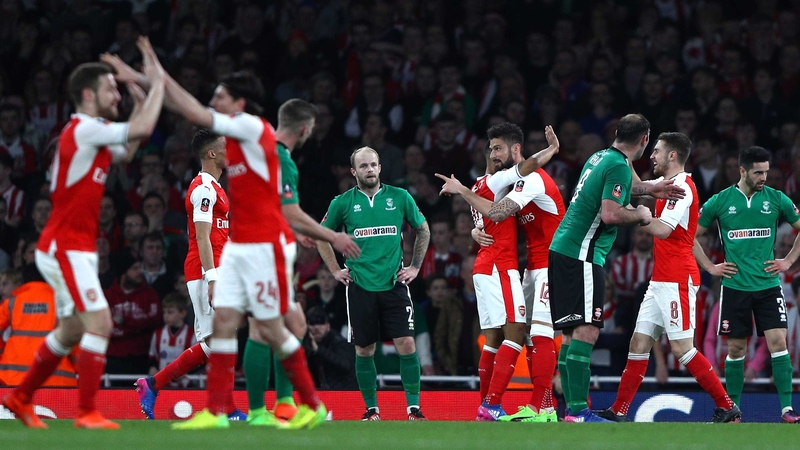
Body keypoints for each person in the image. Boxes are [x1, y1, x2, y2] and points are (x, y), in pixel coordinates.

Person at [103, 42, 360, 430]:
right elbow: (189, 110)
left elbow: (189, 109)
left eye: (220, 95)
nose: (213, 100)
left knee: (273, 328)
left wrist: (151, 74)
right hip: (239, 249)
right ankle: (217, 411)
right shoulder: (237, 145)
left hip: (264, 248)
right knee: (223, 322)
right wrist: (148, 77)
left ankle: (310, 402)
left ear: (238, 102)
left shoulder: (249, 127)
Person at [1, 37, 166, 430]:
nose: (116, 95)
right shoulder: (87, 129)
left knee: (73, 327)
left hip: (74, 247)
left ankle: (21, 397)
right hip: (65, 247)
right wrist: (157, 81)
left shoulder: (91, 135)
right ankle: (87, 412)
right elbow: (140, 126)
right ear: (89, 94)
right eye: (111, 88)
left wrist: (138, 90)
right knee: (101, 322)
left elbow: (135, 142)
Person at [595, 132, 741, 423]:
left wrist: (640, 215)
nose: (653, 155)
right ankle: (619, 410)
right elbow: (687, 237)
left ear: (672, 155)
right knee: (638, 344)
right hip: (660, 279)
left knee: (682, 348)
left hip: (676, 280)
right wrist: (710, 267)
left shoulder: (682, 189)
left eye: (658, 151)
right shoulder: (668, 187)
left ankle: (727, 406)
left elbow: (663, 230)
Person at [547, 114, 683, 423]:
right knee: (587, 330)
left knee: (571, 333)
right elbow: (610, 213)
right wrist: (642, 216)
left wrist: (652, 189)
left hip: (563, 249)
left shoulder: (602, 157)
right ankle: (579, 412)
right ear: (645, 140)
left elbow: (630, 185)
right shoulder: (618, 165)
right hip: (582, 253)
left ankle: (572, 411)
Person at [437, 123, 562, 422]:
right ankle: (499, 405)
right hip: (502, 266)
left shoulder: (507, 182)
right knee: (519, 333)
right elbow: (495, 210)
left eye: (498, 149)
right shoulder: (495, 183)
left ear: (515, 149)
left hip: (540, 264)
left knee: (507, 335)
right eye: (491, 150)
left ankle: (525, 406)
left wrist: (474, 228)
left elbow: (496, 209)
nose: (494, 155)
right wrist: (553, 150)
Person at [242, 99, 357, 425]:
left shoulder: (258, 151)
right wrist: (332, 236)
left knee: (274, 325)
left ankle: (278, 405)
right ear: (306, 129)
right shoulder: (283, 160)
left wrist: (292, 229)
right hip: (263, 249)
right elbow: (290, 209)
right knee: (283, 326)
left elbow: (269, 205)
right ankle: (275, 406)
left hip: (255, 243)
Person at [136, 129, 246, 421]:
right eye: (225, 147)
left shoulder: (218, 189)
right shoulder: (204, 189)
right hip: (204, 268)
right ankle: (226, 408)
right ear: (211, 154)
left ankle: (153, 384)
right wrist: (212, 278)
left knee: (220, 340)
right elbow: (202, 237)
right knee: (220, 341)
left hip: (218, 267)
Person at [316, 146, 431, 421]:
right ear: (354, 171)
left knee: (407, 344)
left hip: (394, 284)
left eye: (374, 165)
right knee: (364, 349)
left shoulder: (400, 196)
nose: (370, 170)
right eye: (364, 166)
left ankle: (413, 408)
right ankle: (371, 410)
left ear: (380, 167)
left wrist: (415, 266)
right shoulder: (342, 203)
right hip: (359, 286)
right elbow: (322, 235)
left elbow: (423, 228)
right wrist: (334, 270)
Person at [694, 145, 800, 423]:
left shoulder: (776, 199)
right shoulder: (720, 201)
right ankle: (734, 410)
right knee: (736, 349)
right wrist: (709, 266)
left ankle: (787, 409)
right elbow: (690, 235)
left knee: (778, 342)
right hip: (735, 287)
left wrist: (788, 261)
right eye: (758, 172)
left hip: (767, 284)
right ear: (742, 171)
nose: (764, 177)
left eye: (766, 171)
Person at [0, 264, 77, 387]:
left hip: (13, 379)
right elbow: (74, 337)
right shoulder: (62, 302)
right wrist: (76, 365)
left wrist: (3, 355)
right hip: (57, 380)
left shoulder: (12, 302)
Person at [147, 293, 195, 387]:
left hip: (185, 386)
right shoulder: (158, 334)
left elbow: (198, 362)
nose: (166, 316)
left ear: (183, 313)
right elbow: (152, 357)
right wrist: (152, 368)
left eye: (170, 312)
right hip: (161, 386)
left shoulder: (192, 335)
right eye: (164, 312)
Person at [305, 306, 357, 390]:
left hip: (343, 393)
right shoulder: (306, 344)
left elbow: (345, 366)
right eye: (312, 323)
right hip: (319, 392)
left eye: (321, 323)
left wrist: (319, 349)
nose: (316, 327)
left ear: (328, 326)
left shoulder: (339, 342)